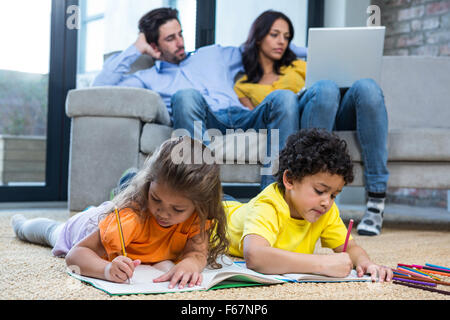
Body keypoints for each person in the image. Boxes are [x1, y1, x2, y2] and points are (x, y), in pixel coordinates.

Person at [92, 7, 307, 189]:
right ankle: (203, 191)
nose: (180, 42)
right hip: (204, 119)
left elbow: (262, 45)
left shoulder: (213, 54)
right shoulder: (148, 77)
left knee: (285, 98)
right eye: (170, 38)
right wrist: (137, 47)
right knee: (185, 96)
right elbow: (100, 87)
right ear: (154, 46)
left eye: (180, 34)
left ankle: (276, 196)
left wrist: (301, 47)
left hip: (243, 116)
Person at [234, 10, 389, 236]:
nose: (281, 41)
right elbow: (258, 117)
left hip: (326, 111)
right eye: (274, 34)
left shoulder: (298, 66)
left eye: (286, 37)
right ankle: (312, 192)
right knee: (322, 88)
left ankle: (376, 200)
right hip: (293, 125)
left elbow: (326, 85)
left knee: (365, 87)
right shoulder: (244, 84)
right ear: (258, 37)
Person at [11, 136, 229, 289]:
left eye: (177, 209)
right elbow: (75, 255)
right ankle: (20, 225)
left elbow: (197, 253)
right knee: (50, 231)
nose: (163, 212)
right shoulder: (131, 217)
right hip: (83, 228)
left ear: (200, 205)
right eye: (156, 199)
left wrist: (191, 263)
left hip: (105, 219)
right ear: (147, 185)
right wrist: (106, 270)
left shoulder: (197, 219)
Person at [223, 129, 393, 282]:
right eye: (320, 191)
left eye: (334, 195)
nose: (327, 202)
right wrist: (321, 263)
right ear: (289, 180)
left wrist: (365, 263)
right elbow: (254, 256)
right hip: (216, 211)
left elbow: (350, 247)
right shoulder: (268, 205)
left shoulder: (325, 210)